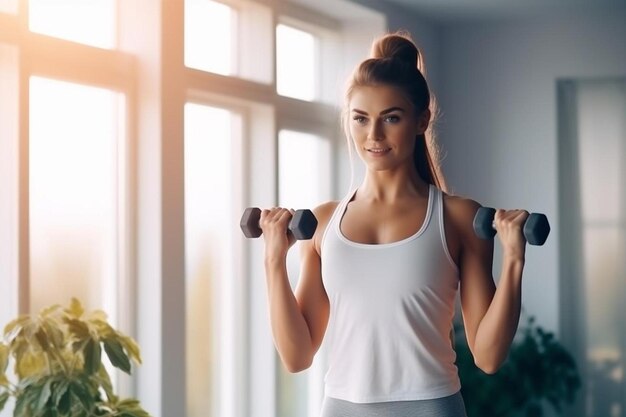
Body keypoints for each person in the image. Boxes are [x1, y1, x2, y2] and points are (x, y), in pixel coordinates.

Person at [259, 31, 529, 417]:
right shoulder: (322, 224)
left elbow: (487, 356)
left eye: (391, 118)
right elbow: (297, 355)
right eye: (361, 119)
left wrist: (515, 260)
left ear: (422, 120)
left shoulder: (457, 218)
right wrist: (273, 262)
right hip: (340, 408)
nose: (374, 135)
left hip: (430, 407)